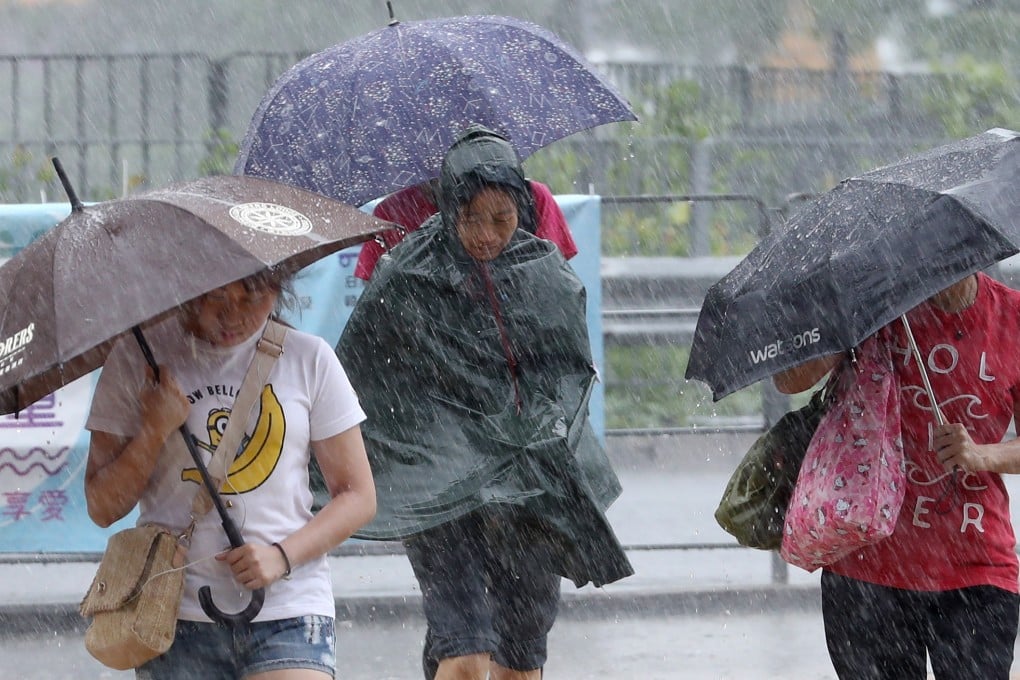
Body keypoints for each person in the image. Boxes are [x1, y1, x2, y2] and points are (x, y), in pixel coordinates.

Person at [336, 125, 632, 680]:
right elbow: (370, 364)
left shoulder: (540, 265)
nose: (487, 235)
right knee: (463, 646)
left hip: (528, 473)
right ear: (449, 210)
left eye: (502, 219)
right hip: (439, 475)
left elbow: (567, 363)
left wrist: (546, 430)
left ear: (523, 208)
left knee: (521, 654)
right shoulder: (406, 265)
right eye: (471, 219)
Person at [84, 268, 377, 680]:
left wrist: (282, 556)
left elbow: (357, 495)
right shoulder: (138, 360)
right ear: (187, 290)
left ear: (279, 289)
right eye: (217, 298)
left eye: (253, 298)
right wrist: (153, 429)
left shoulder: (308, 358)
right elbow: (102, 506)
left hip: (289, 607)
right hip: (170, 616)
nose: (233, 316)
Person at [774, 272, 1020, 680]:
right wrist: (847, 315)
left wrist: (979, 454)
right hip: (866, 568)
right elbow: (788, 380)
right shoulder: (874, 304)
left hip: (976, 568)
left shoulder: (1011, 317)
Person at [353, 176, 578, 280]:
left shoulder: (532, 199)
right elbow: (378, 297)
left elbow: (554, 284)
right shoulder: (393, 212)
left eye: (502, 220)